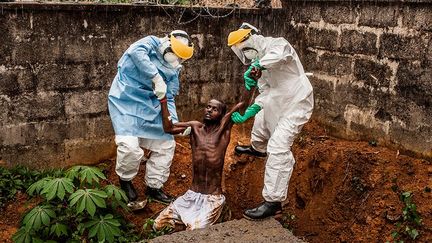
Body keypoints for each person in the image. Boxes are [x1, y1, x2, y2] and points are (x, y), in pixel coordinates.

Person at [227, 23, 314, 220]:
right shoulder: (258, 63)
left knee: (278, 147)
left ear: (251, 39)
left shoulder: (277, 44)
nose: (246, 55)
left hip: (297, 101)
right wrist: (250, 111)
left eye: (244, 49)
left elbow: (282, 54)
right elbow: (265, 93)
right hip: (276, 100)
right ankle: (257, 148)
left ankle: (273, 203)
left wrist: (259, 64)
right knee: (261, 119)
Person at [108, 30, 194, 206]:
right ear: (167, 44)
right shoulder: (150, 43)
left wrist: (174, 121)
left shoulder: (173, 68)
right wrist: (156, 78)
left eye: (180, 57)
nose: (176, 58)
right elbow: (135, 52)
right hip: (125, 101)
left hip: (150, 105)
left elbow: (169, 97)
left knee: (166, 145)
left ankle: (154, 187)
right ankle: (125, 181)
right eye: (175, 53)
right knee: (129, 147)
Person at [153, 97, 244, 230]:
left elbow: (242, 105)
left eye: (214, 109)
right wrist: (163, 101)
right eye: (208, 107)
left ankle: (221, 212)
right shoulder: (195, 127)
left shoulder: (223, 130)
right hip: (191, 195)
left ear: (222, 115)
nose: (209, 110)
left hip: (212, 199)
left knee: (195, 232)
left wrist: (250, 83)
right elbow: (169, 128)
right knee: (158, 225)